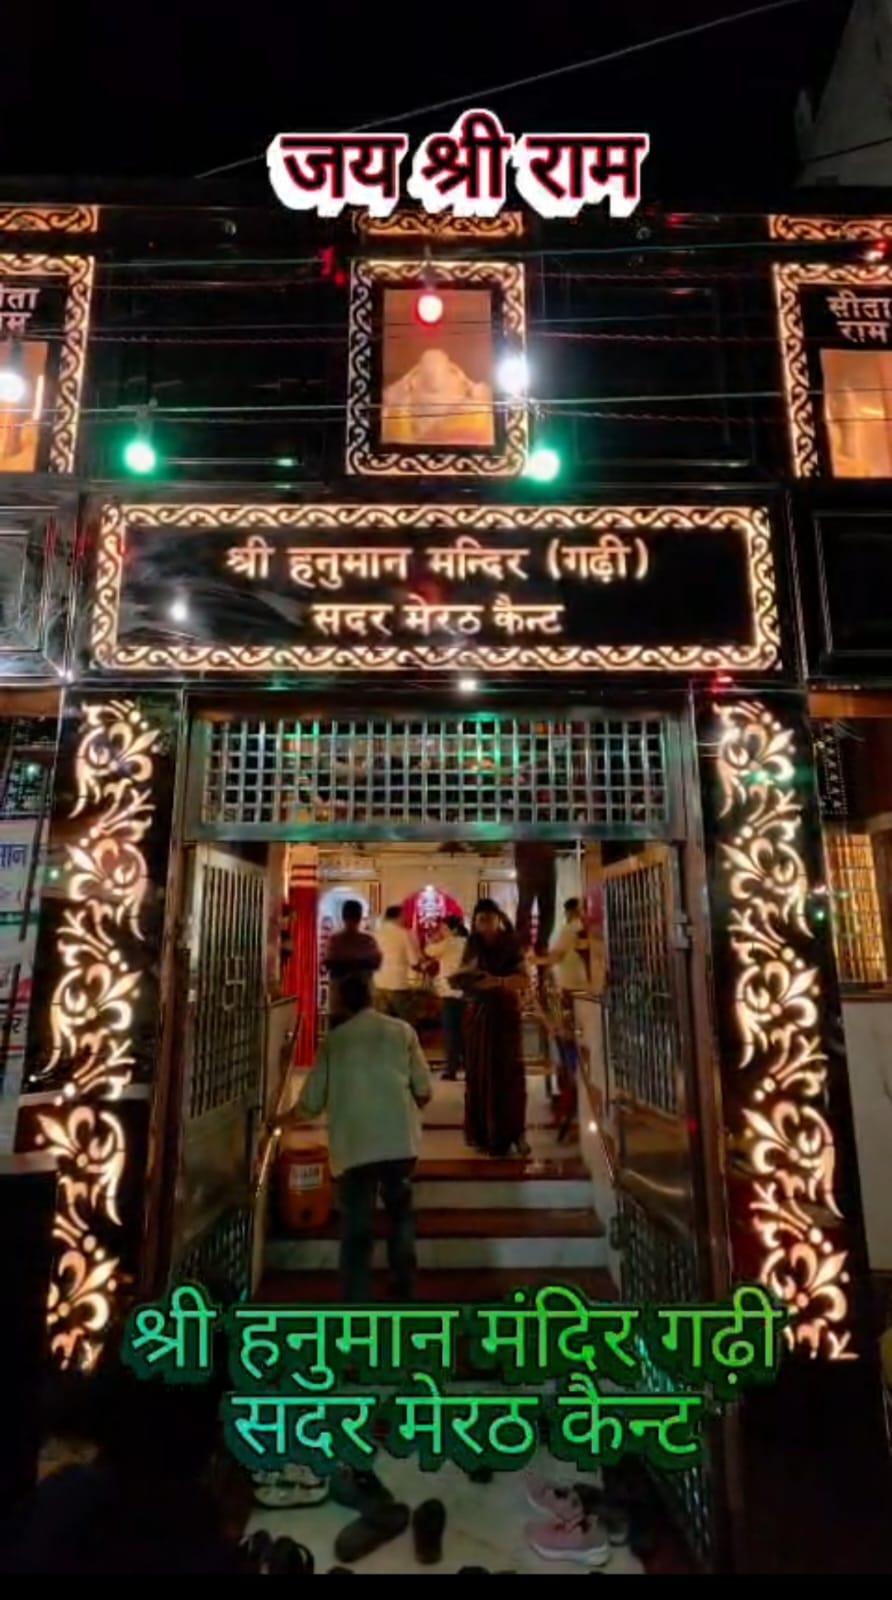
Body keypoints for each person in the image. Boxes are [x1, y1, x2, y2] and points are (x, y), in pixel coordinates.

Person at [293, 971, 433, 1302]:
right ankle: (404, 1289)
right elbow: (424, 1090)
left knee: (356, 1228)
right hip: (399, 1144)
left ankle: (356, 1297)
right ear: (373, 999)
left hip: (354, 1148)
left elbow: (310, 1104)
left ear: (342, 1003)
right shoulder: (403, 1031)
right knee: (401, 1219)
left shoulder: (335, 1041)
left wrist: (277, 1121)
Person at [451, 898, 529, 1159]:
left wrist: (497, 981)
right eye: (480, 920)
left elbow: (524, 980)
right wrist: (465, 981)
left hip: (504, 1016)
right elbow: (465, 975)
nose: (485, 925)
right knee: (478, 1074)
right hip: (477, 1016)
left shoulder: (511, 944)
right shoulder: (472, 944)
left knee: (507, 1074)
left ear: (498, 919)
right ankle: (482, 1134)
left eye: (489, 919)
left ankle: (513, 1133)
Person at [381, 348, 494, 447]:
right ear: (422, 372)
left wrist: (476, 396)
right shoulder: (408, 388)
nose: (434, 376)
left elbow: (483, 397)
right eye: (429, 372)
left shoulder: (462, 385)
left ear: (446, 370)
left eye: (438, 371)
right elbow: (391, 399)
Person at [426, 915, 469, 1080]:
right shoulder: (467, 942)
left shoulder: (449, 943)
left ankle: (452, 1069)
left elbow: (429, 951)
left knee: (451, 1032)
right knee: (463, 1032)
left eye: (444, 928)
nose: (441, 931)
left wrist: (432, 939)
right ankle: (468, 1067)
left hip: (450, 992)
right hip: (465, 993)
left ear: (454, 929)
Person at [325, 899, 381, 1020]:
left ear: (343, 917)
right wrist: (360, 964)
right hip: (363, 993)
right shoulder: (367, 941)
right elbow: (376, 963)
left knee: (340, 1026)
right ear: (360, 917)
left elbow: (329, 964)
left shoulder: (335, 940)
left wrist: (345, 965)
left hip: (339, 994)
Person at [374, 905, 421, 1022]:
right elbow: (414, 961)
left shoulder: (375, 934)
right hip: (397, 984)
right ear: (398, 917)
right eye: (403, 916)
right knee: (405, 1021)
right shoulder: (403, 934)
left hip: (379, 983)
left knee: (383, 1022)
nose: (404, 919)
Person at [537, 898, 590, 995]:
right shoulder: (584, 928)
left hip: (570, 982)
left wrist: (535, 961)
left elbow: (556, 957)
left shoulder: (569, 930)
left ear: (569, 912)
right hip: (584, 981)